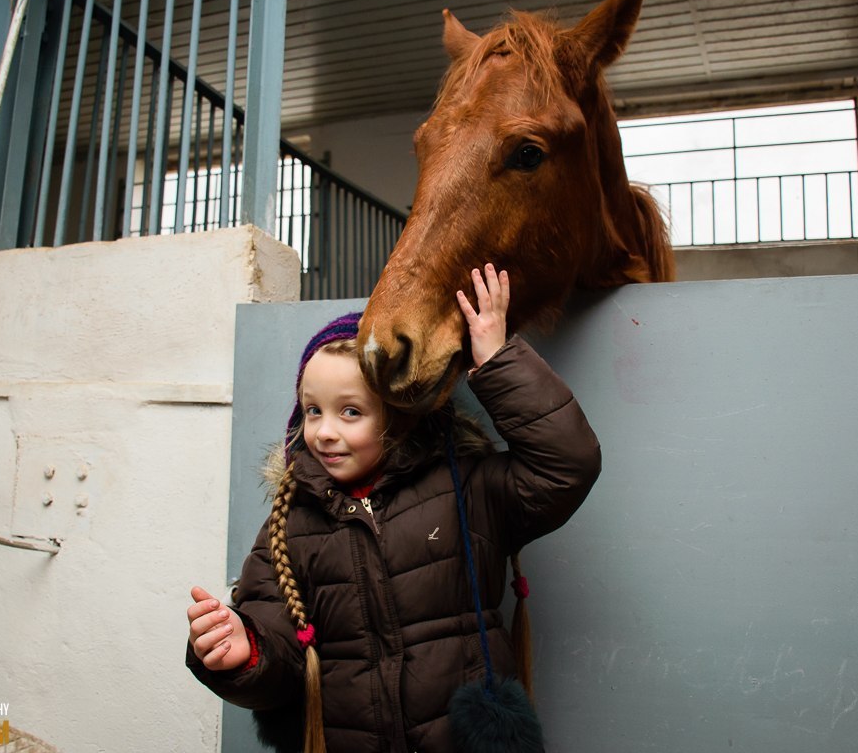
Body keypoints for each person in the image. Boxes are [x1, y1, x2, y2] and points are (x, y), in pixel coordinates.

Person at [186, 264, 601, 753]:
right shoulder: (292, 520)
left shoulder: (464, 489)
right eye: (313, 409)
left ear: (398, 418)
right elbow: (280, 652)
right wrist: (244, 648)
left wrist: (496, 359)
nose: (323, 431)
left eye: (351, 412)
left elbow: (566, 466)